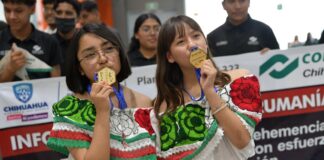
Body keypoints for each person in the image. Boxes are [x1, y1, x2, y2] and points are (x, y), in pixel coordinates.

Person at [154, 15, 262, 159]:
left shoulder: (239, 80)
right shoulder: (165, 105)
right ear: (170, 56)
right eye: (181, 41)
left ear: (205, 42)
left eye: (196, 36)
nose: (192, 45)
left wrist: (210, 92)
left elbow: (242, 140)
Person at [46, 24, 156, 160]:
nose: (103, 59)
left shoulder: (143, 101)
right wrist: (102, 111)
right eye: (90, 54)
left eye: (109, 49)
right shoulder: (69, 110)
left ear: (120, 53)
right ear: (79, 68)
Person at [0, 0, 62, 82]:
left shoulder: (49, 42)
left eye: (18, 11)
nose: (12, 16)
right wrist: (10, 69)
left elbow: (56, 85)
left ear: (32, 9)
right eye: (7, 10)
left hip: (43, 94)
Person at [207, 0, 279, 57]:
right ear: (224, 5)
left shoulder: (264, 30)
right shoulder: (213, 37)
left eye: (242, 0)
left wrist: (272, 56)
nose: (237, 6)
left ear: (249, 2)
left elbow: (279, 62)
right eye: (231, 1)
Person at [53, 0, 79, 76]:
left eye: (68, 13)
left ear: (78, 17)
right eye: (59, 12)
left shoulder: (84, 42)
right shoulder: (48, 43)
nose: (63, 16)